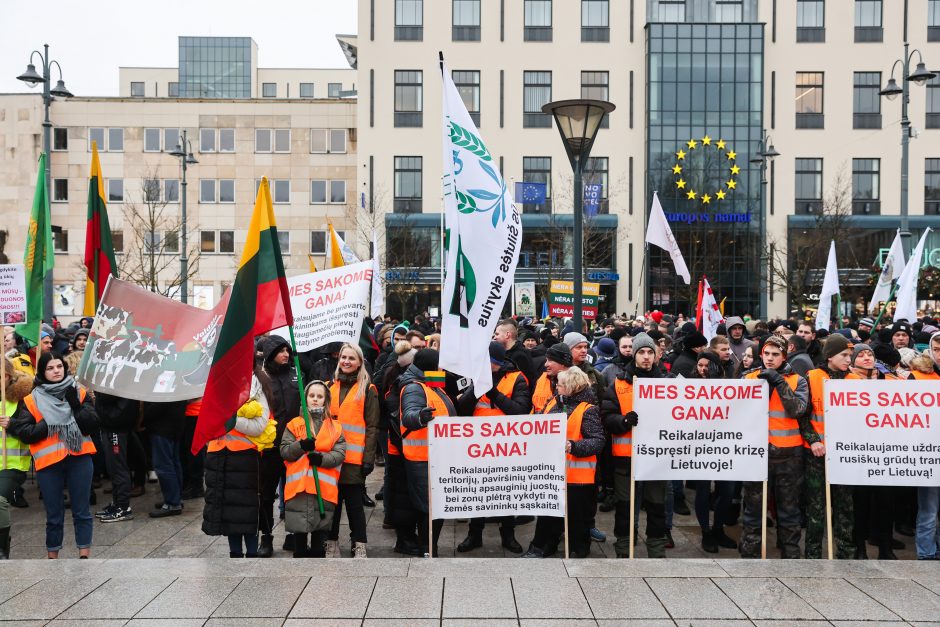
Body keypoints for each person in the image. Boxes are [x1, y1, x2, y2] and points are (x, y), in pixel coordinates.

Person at [9, 352, 98, 559]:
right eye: (50, 368)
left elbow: (92, 425)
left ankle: (84, 554)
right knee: (53, 514)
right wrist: (48, 422)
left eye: (59, 366)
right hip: (49, 464)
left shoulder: (79, 393)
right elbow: (24, 432)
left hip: (79, 457)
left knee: (82, 510)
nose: (56, 371)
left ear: (65, 368)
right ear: (42, 371)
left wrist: (75, 405)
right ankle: (52, 557)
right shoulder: (31, 399)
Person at [455, 342, 531, 554]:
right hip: (479, 445)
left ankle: (508, 535)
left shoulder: (517, 378)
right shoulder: (475, 377)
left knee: (505, 492)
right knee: (479, 491)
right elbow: (462, 409)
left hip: (507, 445)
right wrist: (476, 391)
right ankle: (474, 535)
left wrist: (494, 394)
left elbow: (520, 411)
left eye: (491, 362)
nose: (487, 366)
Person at [600, 332, 670, 557]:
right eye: (642, 352)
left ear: (656, 355)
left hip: (656, 458)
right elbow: (607, 416)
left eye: (650, 352)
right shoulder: (619, 384)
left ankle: (656, 548)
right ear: (635, 355)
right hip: (625, 458)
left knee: (656, 506)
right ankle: (623, 547)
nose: (646, 357)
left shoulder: (668, 384)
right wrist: (623, 421)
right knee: (625, 506)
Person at [739, 336, 809, 559]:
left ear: (784, 357)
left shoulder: (798, 381)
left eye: (775, 354)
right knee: (752, 511)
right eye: (766, 354)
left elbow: (797, 409)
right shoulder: (748, 377)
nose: (770, 358)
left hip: (789, 456)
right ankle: (750, 556)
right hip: (756, 455)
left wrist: (778, 382)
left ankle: (791, 556)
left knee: (789, 512)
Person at [523, 367, 604, 558]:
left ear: (571, 387)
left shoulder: (588, 409)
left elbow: (598, 441)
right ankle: (542, 546)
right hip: (552, 472)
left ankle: (579, 548)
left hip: (577, 477)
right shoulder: (554, 402)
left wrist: (573, 446)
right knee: (548, 513)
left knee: (577, 518)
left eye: (559, 384)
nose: (556, 386)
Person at [202, 372, 272, 558]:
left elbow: (259, 426)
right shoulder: (217, 385)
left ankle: (251, 554)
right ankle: (234, 554)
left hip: (245, 460)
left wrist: (229, 419)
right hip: (219, 457)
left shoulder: (256, 386)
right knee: (229, 515)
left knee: (246, 513)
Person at [803, 334, 858, 559]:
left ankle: (845, 553)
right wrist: (813, 440)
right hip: (816, 454)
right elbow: (802, 415)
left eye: (850, 355)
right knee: (816, 509)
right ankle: (813, 555)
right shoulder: (811, 377)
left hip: (844, 454)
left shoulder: (855, 381)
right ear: (830, 356)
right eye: (844, 355)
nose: (848, 359)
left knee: (845, 507)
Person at [280, 380, 346, 558]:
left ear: (326, 400)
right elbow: (285, 451)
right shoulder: (294, 424)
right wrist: (300, 445)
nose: (315, 399)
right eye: (311, 396)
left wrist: (321, 459)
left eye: (319, 396)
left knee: (320, 535)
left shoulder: (335, 427)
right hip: (299, 490)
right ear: (305, 397)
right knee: (299, 535)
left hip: (323, 491)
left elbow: (339, 453)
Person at [399, 348, 455, 556]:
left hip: (433, 457)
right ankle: (428, 549)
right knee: (430, 507)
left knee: (433, 506)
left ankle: (429, 547)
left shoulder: (430, 385)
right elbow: (410, 414)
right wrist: (420, 417)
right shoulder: (415, 388)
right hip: (422, 459)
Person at [326, 344, 380, 558]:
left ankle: (359, 543)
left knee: (355, 506)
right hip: (331, 458)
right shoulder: (330, 386)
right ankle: (331, 542)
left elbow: (372, 426)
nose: (346, 361)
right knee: (333, 504)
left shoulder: (368, 389)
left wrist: (368, 459)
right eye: (343, 357)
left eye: (351, 358)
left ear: (360, 362)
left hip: (354, 459)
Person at [848, 343, 901, 559]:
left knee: (886, 502)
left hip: (884, 452)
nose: (867, 357)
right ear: (853, 360)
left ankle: (885, 547)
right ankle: (859, 548)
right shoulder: (845, 382)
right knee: (860, 503)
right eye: (860, 355)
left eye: (869, 354)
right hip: (858, 452)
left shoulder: (889, 380)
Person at [259, 335, 301, 556]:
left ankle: (293, 534)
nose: (286, 354)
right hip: (270, 446)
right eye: (281, 350)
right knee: (266, 494)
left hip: (293, 444)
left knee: (293, 493)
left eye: (287, 350)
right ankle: (266, 537)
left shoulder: (297, 374)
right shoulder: (261, 377)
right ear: (270, 353)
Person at [0, 360, 33, 557]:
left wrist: (12, 425)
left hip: (11, 465)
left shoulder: (22, 399)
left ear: (7, 376)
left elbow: (31, 432)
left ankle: (2, 548)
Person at [914, 333, 940, 560]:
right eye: (938, 349)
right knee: (929, 511)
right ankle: (926, 555)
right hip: (927, 455)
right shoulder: (918, 376)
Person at [93, 392, 139, 523]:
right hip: (113, 424)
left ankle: (123, 507)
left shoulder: (120, 376)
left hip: (116, 426)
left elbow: (108, 395)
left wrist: (97, 392)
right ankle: (118, 503)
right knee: (114, 467)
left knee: (118, 467)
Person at [144, 399, 188, 518]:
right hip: (174, 424)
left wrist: (145, 413)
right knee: (173, 463)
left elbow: (160, 403)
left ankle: (173, 503)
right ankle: (176, 498)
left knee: (164, 465)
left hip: (163, 427)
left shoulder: (165, 382)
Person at [493, 319, 536, 389]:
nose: (495, 337)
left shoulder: (520, 356)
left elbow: (525, 384)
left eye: (497, 334)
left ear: (507, 335)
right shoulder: (506, 353)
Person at [531, 344, 573, 414]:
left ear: (562, 363)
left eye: (550, 360)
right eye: (546, 360)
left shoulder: (576, 384)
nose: (545, 364)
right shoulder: (541, 379)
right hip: (539, 423)